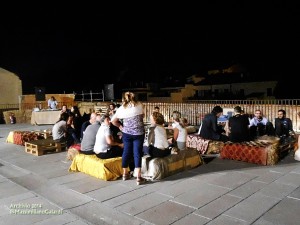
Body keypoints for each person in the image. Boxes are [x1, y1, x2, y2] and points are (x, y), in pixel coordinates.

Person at [111, 91, 146, 185]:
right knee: (137, 153)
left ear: (123, 99)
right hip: (139, 133)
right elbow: (142, 116)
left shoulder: (121, 109)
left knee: (126, 151)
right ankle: (138, 176)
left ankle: (125, 174)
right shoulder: (140, 105)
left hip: (127, 133)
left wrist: (120, 126)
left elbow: (113, 121)